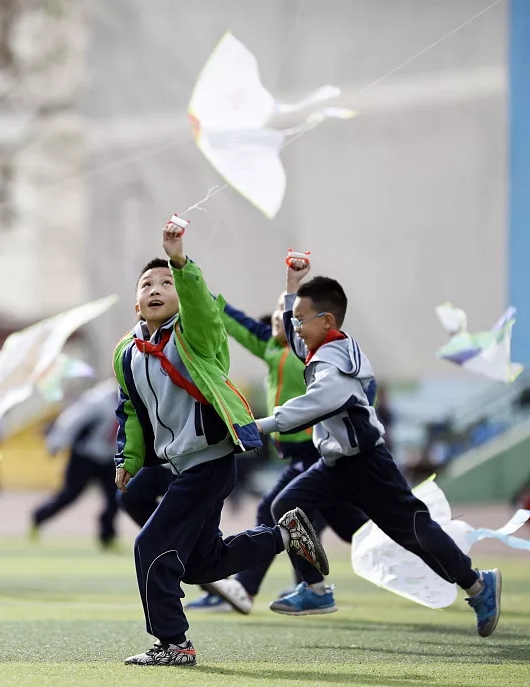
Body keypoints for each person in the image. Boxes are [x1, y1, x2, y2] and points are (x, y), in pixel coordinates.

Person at [114, 218, 327, 667]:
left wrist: (180, 260)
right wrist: (129, 458)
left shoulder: (196, 335)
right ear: (136, 304)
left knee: (149, 547)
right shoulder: (126, 353)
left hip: (211, 461)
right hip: (182, 467)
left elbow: (203, 310)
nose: (156, 288)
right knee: (200, 564)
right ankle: (285, 534)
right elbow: (131, 410)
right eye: (147, 284)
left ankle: (174, 644)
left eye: (166, 283)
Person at [259, 255, 501, 636]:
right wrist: (292, 288)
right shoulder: (326, 346)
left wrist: (256, 426)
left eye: (301, 319)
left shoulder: (333, 367)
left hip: (368, 465)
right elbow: (295, 337)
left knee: (415, 533)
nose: (295, 327)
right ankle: (316, 590)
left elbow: (310, 406)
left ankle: (479, 585)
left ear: (327, 322)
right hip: (336, 465)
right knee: (285, 505)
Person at [186, 296, 368, 615]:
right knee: (354, 528)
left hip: (318, 451)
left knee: (275, 508)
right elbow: (238, 324)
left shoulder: (308, 354)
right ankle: (432, 556)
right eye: (276, 311)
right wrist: (198, 294)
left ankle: (251, 588)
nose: (276, 316)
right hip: (303, 454)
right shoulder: (272, 350)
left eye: (288, 315)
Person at [30, 380, 121, 549]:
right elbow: (72, 421)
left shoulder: (134, 402)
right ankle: (38, 516)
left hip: (109, 459)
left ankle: (107, 537)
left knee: (115, 498)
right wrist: (56, 442)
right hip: (85, 456)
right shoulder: (98, 401)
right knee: (69, 495)